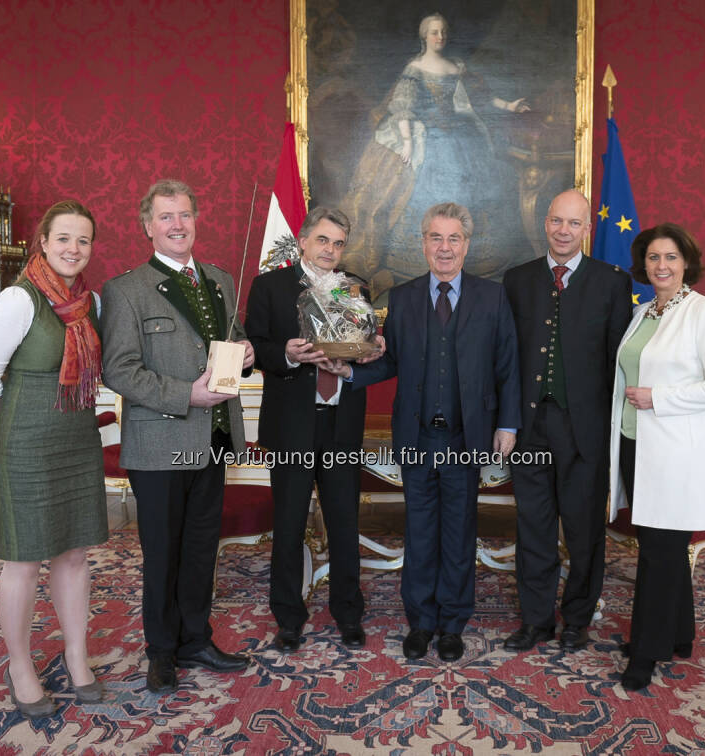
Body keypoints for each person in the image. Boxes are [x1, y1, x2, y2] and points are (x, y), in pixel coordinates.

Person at [325, 202, 520, 662]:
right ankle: (421, 622)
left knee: (458, 531)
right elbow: (391, 361)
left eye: (454, 239)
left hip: (465, 438)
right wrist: (348, 373)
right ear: (424, 243)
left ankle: (452, 624)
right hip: (416, 437)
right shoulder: (406, 297)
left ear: (466, 245)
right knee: (419, 530)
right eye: (436, 238)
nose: (445, 247)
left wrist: (508, 424)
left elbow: (508, 364)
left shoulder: (492, 298)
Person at [100, 179, 255, 694]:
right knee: (163, 553)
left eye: (185, 215)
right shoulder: (125, 291)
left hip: (212, 440)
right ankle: (161, 651)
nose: (177, 225)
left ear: (196, 219)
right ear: (148, 227)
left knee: (200, 551)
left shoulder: (221, 281)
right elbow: (119, 371)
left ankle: (196, 639)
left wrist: (245, 355)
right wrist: (184, 394)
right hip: (159, 446)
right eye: (166, 217)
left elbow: (227, 348)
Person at [0, 200, 108, 717]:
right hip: (25, 440)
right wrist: (10, 436)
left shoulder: (88, 303)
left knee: (73, 552)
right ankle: (20, 666)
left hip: (76, 437)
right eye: (64, 238)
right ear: (44, 242)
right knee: (24, 558)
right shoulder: (18, 299)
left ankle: (76, 657)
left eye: (84, 240)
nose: (74, 249)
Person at [501, 189, 632, 653]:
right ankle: (536, 620)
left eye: (573, 223)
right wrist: (506, 422)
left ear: (587, 230)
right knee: (532, 527)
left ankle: (577, 617)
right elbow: (506, 359)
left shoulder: (612, 282)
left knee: (583, 531)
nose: (563, 230)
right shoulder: (516, 280)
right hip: (531, 427)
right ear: (545, 223)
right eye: (557, 221)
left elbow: (620, 360)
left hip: (586, 431)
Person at [609, 223, 705, 691]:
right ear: (643, 264)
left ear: (686, 263)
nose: (661, 266)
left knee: (659, 553)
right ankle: (680, 634)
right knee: (662, 546)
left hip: (676, 451)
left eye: (670, 257)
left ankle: (646, 650)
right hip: (633, 446)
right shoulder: (643, 312)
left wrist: (659, 397)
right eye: (652, 258)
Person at [245, 207, 375, 653]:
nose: (330, 251)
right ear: (302, 240)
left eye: (338, 243)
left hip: (342, 423)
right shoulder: (270, 287)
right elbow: (254, 347)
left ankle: (348, 611)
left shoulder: (355, 286)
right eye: (323, 241)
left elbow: (366, 344)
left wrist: (369, 350)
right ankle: (288, 616)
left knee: (344, 523)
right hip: (291, 426)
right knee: (289, 524)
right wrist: (286, 353)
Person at [341, 12, 530, 291]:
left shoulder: (456, 67)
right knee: (421, 189)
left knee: (476, 187)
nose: (439, 36)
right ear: (424, 36)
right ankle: (413, 259)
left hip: (460, 136)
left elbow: (480, 98)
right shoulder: (415, 68)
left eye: (442, 31)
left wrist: (510, 106)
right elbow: (403, 107)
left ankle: (473, 257)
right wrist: (407, 142)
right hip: (427, 138)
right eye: (434, 32)